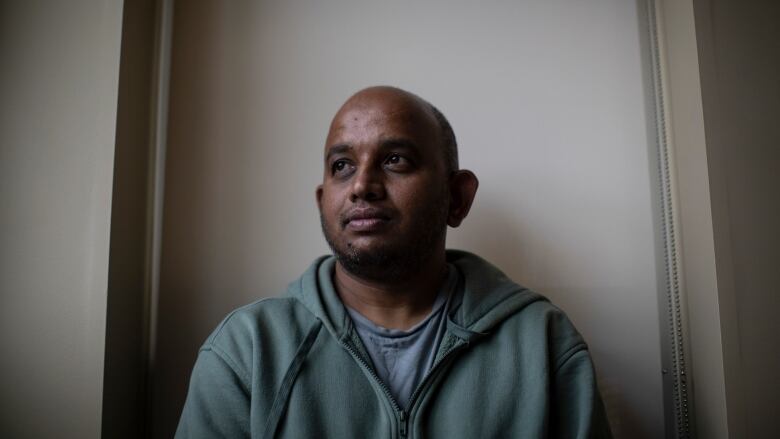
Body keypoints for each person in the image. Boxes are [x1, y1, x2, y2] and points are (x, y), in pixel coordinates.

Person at [175, 86, 612, 438]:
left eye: (394, 160)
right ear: (322, 201)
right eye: (342, 165)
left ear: (456, 199)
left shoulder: (543, 344)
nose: (362, 185)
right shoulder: (246, 351)